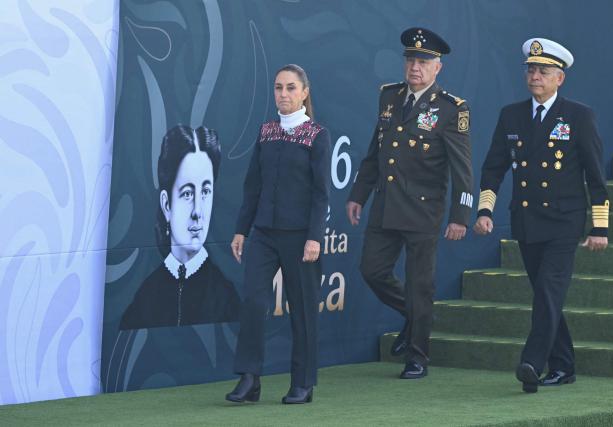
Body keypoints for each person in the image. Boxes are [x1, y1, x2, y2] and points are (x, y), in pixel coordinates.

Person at [473, 38, 609, 393]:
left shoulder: (579, 116)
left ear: (559, 78)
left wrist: (600, 226)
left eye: (543, 71)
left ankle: (532, 362)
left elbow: (595, 176)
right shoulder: (511, 115)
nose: (535, 76)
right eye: (531, 69)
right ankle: (563, 366)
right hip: (527, 221)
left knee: (548, 293)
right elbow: (493, 168)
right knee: (547, 295)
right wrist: (485, 209)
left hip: (565, 222)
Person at [346, 27, 473, 379]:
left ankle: (418, 356)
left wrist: (460, 215)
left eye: (423, 62)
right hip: (386, 204)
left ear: (437, 68)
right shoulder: (389, 97)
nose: (415, 67)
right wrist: (358, 194)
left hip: (423, 209)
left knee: (420, 284)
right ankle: (415, 318)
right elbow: (376, 152)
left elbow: (463, 169)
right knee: (371, 271)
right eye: (411, 60)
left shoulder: (451, 110)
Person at [225, 64, 331, 404]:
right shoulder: (266, 131)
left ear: (304, 92)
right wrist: (242, 229)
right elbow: (252, 186)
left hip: (301, 237)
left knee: (302, 310)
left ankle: (303, 383)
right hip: (264, 234)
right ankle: (249, 378)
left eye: (289, 88)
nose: (282, 94)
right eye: (277, 88)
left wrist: (315, 236)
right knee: (254, 301)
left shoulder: (316, 135)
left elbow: (320, 192)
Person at [120, 125, 241, 330]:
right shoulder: (145, 299)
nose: (197, 211)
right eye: (187, 193)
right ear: (167, 205)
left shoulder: (226, 297)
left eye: (205, 192)